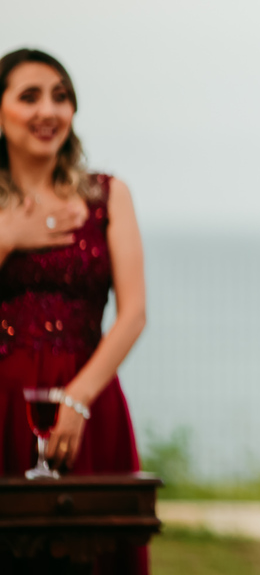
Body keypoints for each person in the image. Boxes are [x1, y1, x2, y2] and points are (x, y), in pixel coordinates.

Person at [0, 49, 149, 575]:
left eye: (61, 97)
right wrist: (8, 238)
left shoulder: (108, 195)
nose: (49, 110)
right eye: (30, 96)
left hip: (87, 407)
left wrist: (78, 399)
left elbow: (134, 313)